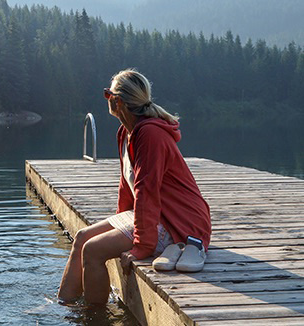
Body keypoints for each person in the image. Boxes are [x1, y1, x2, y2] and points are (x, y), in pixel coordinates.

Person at [57, 68, 211, 305]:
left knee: (93, 251)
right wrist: (122, 224)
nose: (106, 99)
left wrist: (141, 245)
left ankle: (94, 319)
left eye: (108, 94)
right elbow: (128, 185)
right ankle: (64, 305)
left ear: (117, 101)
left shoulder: (150, 134)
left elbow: (147, 192)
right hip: (157, 214)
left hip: (178, 221)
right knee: (81, 238)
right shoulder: (126, 132)